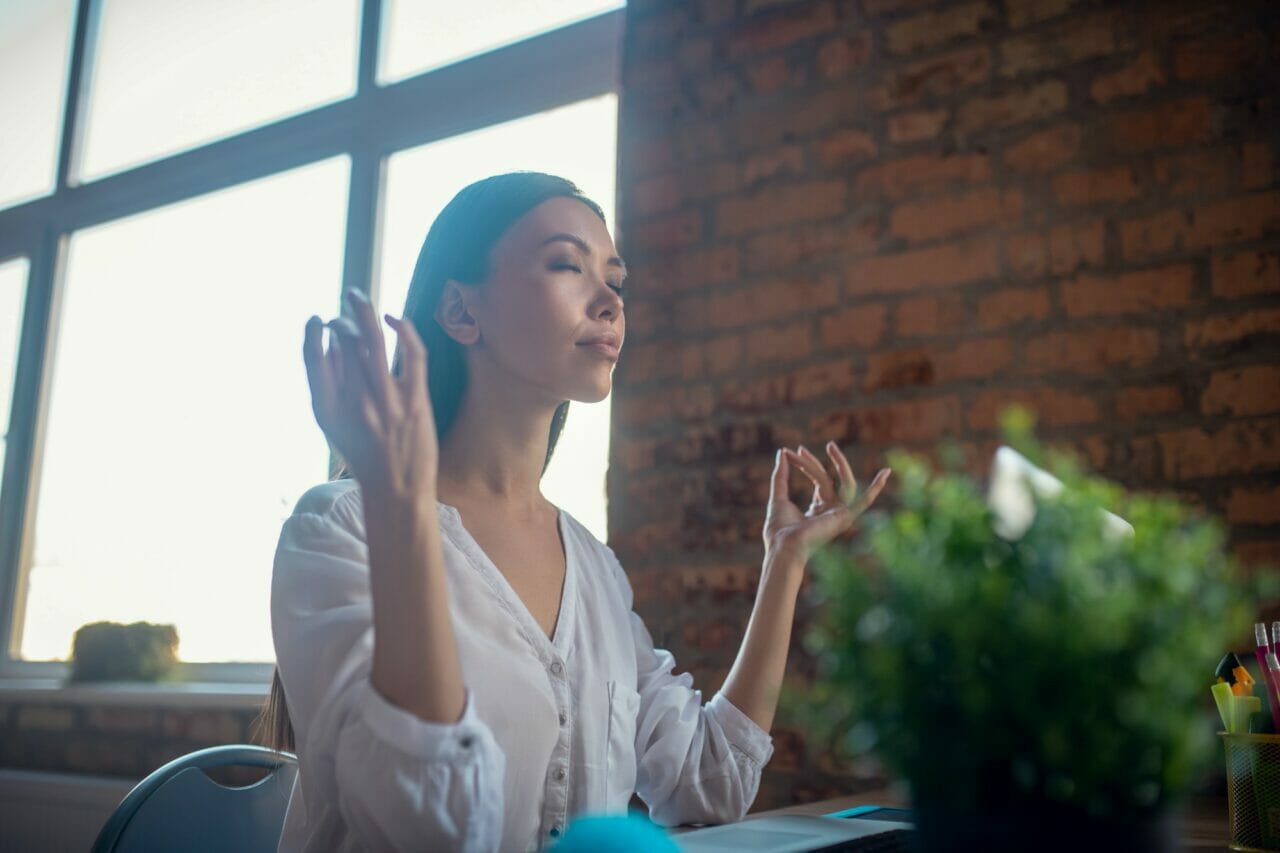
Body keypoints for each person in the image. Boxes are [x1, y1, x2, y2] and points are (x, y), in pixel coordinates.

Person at [262, 172, 891, 852]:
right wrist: (400, 500)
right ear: (460, 311)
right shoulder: (339, 527)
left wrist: (786, 561)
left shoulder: (594, 566)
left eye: (615, 280)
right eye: (567, 264)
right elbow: (426, 831)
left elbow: (705, 782)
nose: (610, 302)